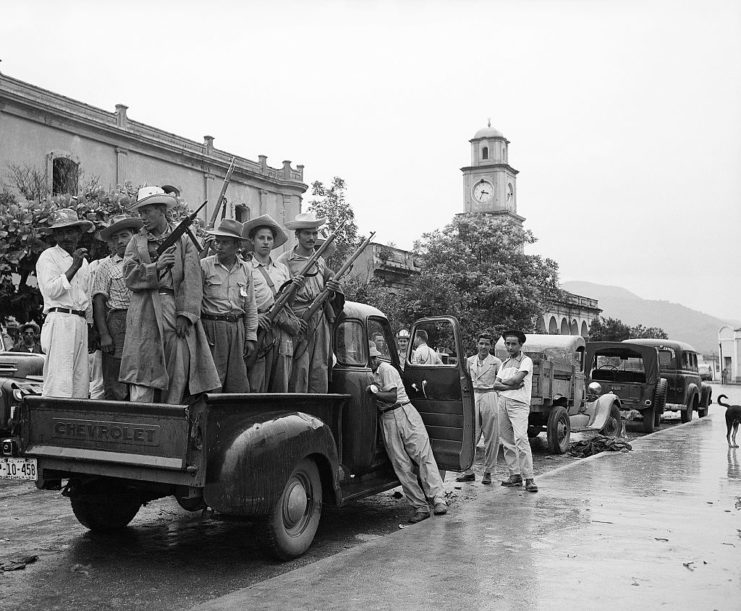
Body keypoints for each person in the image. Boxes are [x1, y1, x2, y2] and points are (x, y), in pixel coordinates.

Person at [120, 187, 221, 404]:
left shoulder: (183, 240)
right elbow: (129, 276)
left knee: (177, 374)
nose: (143, 217)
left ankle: (170, 426)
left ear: (161, 210)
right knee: (143, 374)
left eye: (147, 212)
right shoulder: (136, 242)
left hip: (175, 309)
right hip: (145, 311)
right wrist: (155, 267)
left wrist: (185, 315)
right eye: (141, 212)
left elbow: (193, 279)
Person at [368, 343, 448, 523]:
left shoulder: (386, 369)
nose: (373, 360)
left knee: (423, 455)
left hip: (403, 411)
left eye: (375, 356)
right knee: (401, 465)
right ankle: (420, 506)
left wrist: (373, 394)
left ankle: (438, 499)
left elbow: (392, 396)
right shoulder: (368, 374)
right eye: (369, 357)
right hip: (386, 418)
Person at [277, 212, 342, 393]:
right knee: (299, 368)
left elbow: (327, 293)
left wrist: (331, 290)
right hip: (297, 320)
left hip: (319, 319)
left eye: (314, 233)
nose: (312, 238)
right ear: (297, 235)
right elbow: (279, 297)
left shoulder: (320, 260)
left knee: (320, 368)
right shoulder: (284, 261)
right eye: (307, 233)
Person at [35, 208, 93, 398]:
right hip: (60, 319)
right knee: (59, 381)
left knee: (80, 382)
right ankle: (52, 422)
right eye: (61, 232)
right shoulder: (49, 256)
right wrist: (73, 266)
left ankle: (74, 421)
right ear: (55, 235)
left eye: (71, 231)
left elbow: (86, 296)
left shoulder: (83, 262)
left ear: (79, 233)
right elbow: (52, 290)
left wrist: (91, 326)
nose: (67, 236)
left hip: (80, 322)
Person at [242, 215, 302, 393]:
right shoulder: (245, 267)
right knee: (256, 383)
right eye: (261, 238)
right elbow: (240, 301)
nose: (266, 242)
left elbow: (289, 303)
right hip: (259, 327)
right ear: (252, 241)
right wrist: (256, 319)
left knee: (281, 383)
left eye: (269, 238)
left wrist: (295, 288)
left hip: (281, 329)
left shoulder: (282, 269)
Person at [200, 219, 258, 393]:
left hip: (237, 329)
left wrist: (250, 337)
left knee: (237, 382)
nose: (219, 246)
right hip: (211, 327)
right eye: (217, 241)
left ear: (237, 245)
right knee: (212, 381)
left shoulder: (246, 269)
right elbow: (194, 301)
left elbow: (250, 305)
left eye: (225, 242)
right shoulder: (205, 265)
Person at [92, 214, 143, 400]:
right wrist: (105, 335)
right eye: (116, 238)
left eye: (124, 236)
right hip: (118, 322)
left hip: (143, 318)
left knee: (140, 373)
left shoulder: (145, 260)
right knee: (115, 376)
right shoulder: (106, 266)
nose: (120, 241)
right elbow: (99, 301)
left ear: (134, 236)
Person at [494, 330, 538, 493]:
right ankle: (515, 475)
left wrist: (508, 384)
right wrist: (510, 385)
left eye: (514, 344)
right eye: (508, 343)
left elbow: (516, 380)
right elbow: (496, 385)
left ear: (520, 345)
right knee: (506, 440)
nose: (510, 347)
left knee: (521, 438)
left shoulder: (526, 361)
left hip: (518, 404)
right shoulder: (504, 364)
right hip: (503, 402)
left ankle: (530, 478)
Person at [457, 333, 502, 484]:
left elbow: (501, 383)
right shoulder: (469, 361)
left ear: (491, 346)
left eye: (487, 344)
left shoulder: (496, 362)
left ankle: (488, 472)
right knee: (471, 436)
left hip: (490, 396)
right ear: (477, 344)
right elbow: (464, 381)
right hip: (474, 396)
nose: (483, 347)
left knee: (491, 437)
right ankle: (468, 470)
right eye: (481, 343)